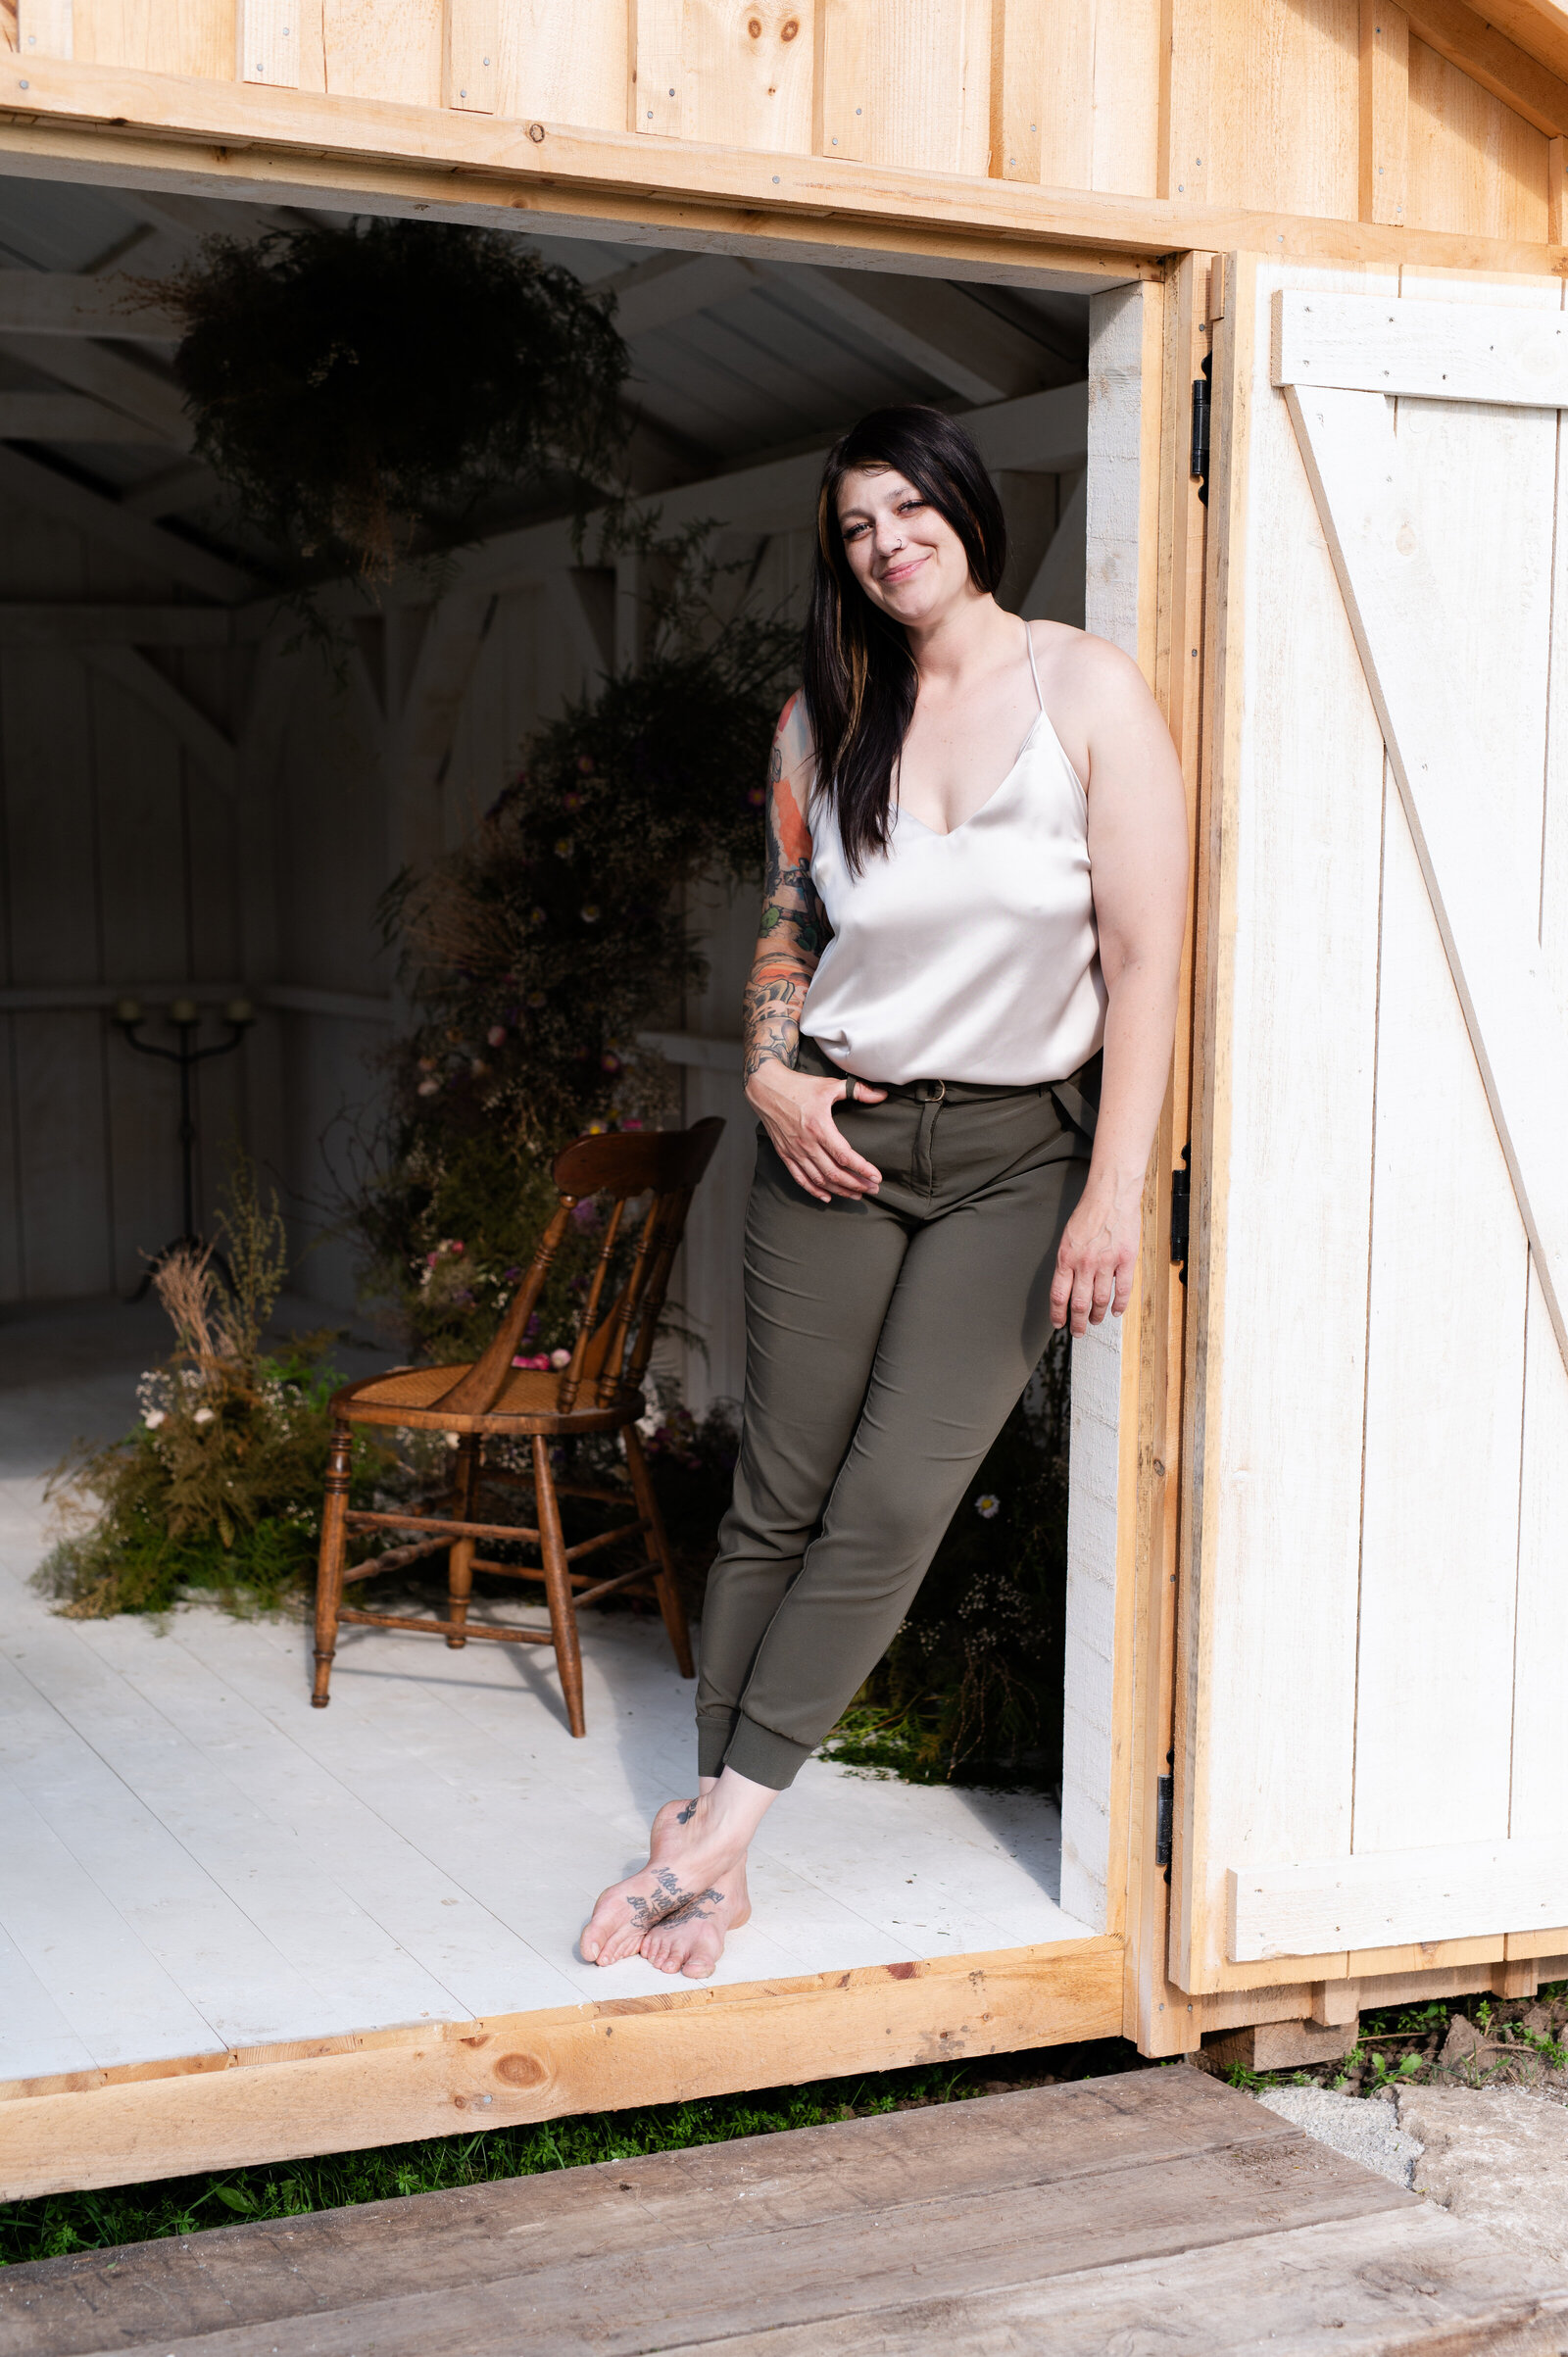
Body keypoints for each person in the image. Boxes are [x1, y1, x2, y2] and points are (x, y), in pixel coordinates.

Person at [582, 404, 1188, 1979]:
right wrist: (767, 1071)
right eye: (857, 526)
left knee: (896, 1498)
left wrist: (1114, 1191)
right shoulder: (824, 718)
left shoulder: (1089, 691)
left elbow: (1146, 961)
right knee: (775, 1499)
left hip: (1014, 1159)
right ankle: (716, 1853)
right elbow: (789, 921)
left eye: (910, 508)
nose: (887, 542)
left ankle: (703, 1840)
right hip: (830, 1141)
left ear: (967, 510)